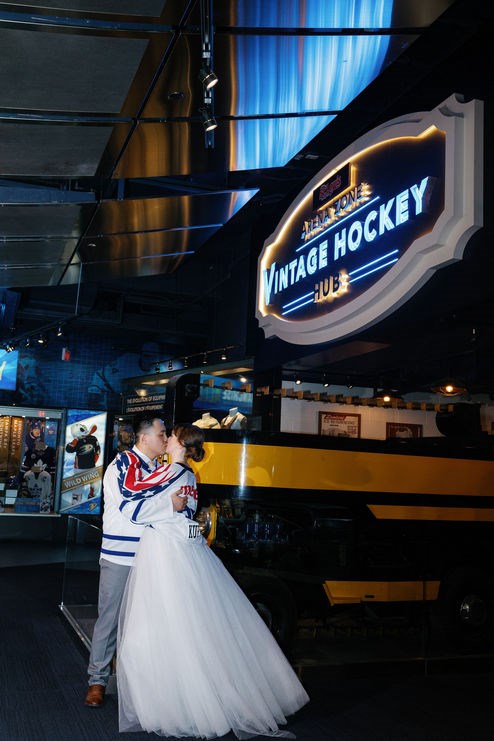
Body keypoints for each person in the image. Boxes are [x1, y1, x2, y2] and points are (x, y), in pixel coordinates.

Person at [117, 423, 309, 739]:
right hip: (181, 550)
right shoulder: (190, 474)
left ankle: (182, 703)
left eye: (169, 435)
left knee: (168, 624)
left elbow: (132, 493)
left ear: (179, 442)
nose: (164, 439)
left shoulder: (172, 472)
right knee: (193, 624)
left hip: (166, 553)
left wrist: (128, 463)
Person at [84, 414, 187, 708]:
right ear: (144, 438)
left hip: (155, 555)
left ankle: (140, 682)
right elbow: (132, 508)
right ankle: (97, 681)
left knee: (146, 622)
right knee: (110, 618)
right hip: (121, 555)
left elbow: (181, 504)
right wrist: (168, 504)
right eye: (161, 433)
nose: (166, 438)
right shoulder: (122, 465)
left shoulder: (161, 468)